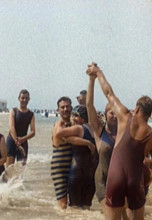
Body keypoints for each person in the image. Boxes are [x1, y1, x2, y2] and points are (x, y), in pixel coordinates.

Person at [86, 62, 152, 220]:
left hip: (115, 178)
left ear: (136, 109)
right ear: (149, 115)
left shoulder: (124, 116)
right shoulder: (150, 134)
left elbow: (108, 92)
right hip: (135, 180)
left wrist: (98, 73)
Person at [51, 97, 96, 209]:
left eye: (67, 106)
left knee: (74, 202)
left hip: (72, 166)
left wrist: (86, 142)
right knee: (63, 204)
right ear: (58, 110)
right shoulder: (58, 125)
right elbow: (56, 141)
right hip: (60, 167)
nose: (65, 109)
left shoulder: (74, 126)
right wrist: (87, 143)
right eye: (62, 107)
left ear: (71, 108)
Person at [86, 73, 117, 214]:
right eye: (111, 113)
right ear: (105, 115)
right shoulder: (100, 131)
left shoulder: (124, 133)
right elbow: (89, 105)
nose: (115, 115)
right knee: (109, 215)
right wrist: (92, 80)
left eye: (116, 112)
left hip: (121, 182)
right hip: (103, 181)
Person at [6, 89, 35, 166]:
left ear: (29, 99)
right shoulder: (13, 111)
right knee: (9, 168)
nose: (24, 100)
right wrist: (17, 142)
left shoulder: (31, 114)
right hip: (12, 141)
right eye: (22, 98)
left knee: (21, 170)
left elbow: (33, 132)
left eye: (26, 98)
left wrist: (23, 139)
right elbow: (12, 127)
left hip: (23, 141)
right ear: (19, 98)